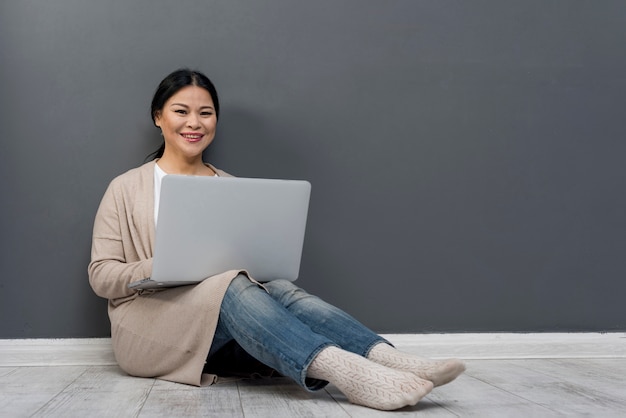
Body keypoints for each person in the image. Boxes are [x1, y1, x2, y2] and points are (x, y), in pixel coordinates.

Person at [88, 68, 465, 411]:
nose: (194, 123)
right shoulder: (125, 188)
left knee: (280, 288)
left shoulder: (232, 188)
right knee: (230, 284)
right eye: (181, 111)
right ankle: (350, 372)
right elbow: (101, 275)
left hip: (222, 327)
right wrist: (168, 263)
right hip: (150, 326)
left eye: (205, 113)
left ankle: (389, 358)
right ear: (158, 117)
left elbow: (257, 270)